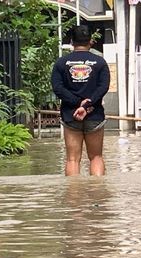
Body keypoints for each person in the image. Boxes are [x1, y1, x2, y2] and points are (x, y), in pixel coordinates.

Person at [51, 25, 110, 176]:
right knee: (96, 157)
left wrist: (77, 103)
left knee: (72, 159)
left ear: (72, 42)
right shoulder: (100, 63)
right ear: (91, 41)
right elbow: (103, 87)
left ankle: (74, 195)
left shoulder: (60, 63)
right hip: (94, 114)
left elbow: (58, 88)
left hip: (71, 115)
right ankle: (97, 192)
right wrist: (87, 104)